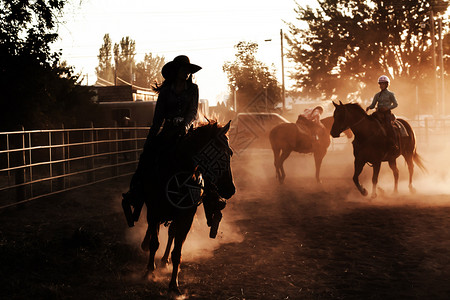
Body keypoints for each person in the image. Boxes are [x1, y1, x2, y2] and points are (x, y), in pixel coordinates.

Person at [121, 55, 224, 237]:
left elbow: (193, 111)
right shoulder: (166, 91)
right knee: (148, 156)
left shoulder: (193, 89)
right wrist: (151, 138)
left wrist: (184, 125)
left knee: (203, 161)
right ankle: (135, 193)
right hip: (168, 131)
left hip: (186, 133)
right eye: (184, 69)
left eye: (188, 71)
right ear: (176, 71)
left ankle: (212, 202)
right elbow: (158, 117)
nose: (186, 73)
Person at [365, 75, 399, 152]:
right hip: (378, 113)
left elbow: (396, 104)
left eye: (383, 84)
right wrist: (369, 107)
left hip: (387, 113)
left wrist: (387, 108)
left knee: (389, 126)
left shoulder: (391, 94)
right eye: (380, 84)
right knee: (370, 123)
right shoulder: (377, 95)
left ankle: (394, 143)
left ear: (387, 84)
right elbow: (373, 105)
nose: (381, 85)